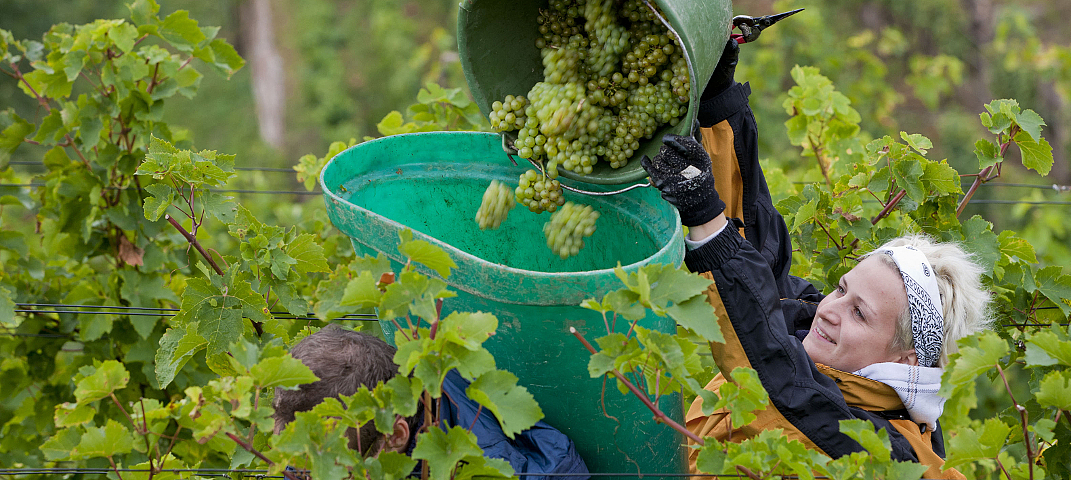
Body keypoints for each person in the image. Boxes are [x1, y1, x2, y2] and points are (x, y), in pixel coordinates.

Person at [648, 40, 992, 479]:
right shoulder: (813, 337)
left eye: (860, 314)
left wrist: (706, 224)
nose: (830, 310)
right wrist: (719, 109)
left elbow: (785, 391)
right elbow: (759, 261)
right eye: (842, 288)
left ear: (904, 361)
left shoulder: (894, 458)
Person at [272, 325, 589, 479]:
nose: (307, 472)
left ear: (395, 437)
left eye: (330, 467)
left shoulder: (488, 469)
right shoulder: (372, 406)